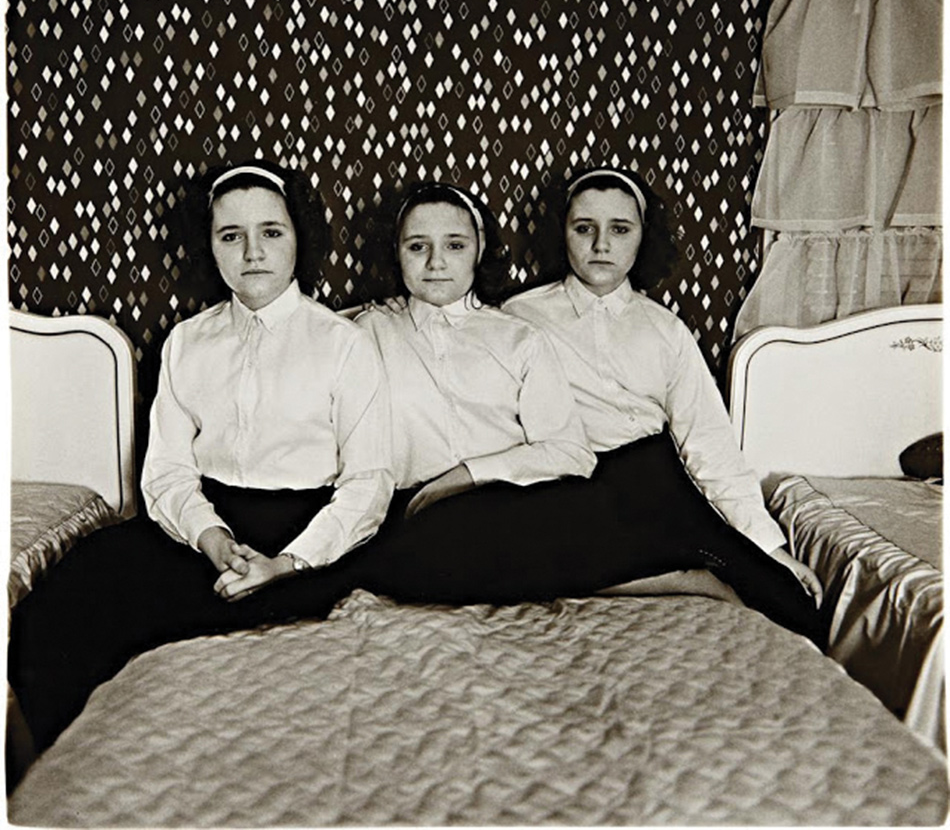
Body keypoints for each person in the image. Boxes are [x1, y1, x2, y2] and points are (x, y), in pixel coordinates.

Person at [9, 160, 394, 752]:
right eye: (230, 236)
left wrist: (285, 563)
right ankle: (75, 772)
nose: (253, 252)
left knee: (261, 663)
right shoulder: (188, 340)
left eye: (271, 232)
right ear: (210, 247)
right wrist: (211, 539)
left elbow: (370, 482)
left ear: (299, 238)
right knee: (53, 613)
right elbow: (166, 469)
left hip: (306, 538)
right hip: (203, 528)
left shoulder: (346, 344)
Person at [503, 166, 826, 644]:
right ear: (562, 234)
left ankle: (692, 570)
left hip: (652, 484)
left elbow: (710, 445)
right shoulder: (518, 316)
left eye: (620, 229)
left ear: (642, 238)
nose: (601, 245)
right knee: (499, 558)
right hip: (566, 487)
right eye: (584, 228)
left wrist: (771, 547)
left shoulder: (664, 329)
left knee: (792, 606)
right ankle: (678, 578)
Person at [349, 181, 647, 605]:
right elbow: (311, 335)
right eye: (417, 247)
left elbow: (571, 452)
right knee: (424, 547)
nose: (435, 263)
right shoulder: (369, 331)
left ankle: (665, 576)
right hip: (416, 517)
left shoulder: (518, 336)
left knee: (591, 503)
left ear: (479, 248)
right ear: (396, 251)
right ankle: (639, 576)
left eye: (454, 245)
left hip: (513, 505)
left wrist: (462, 477)